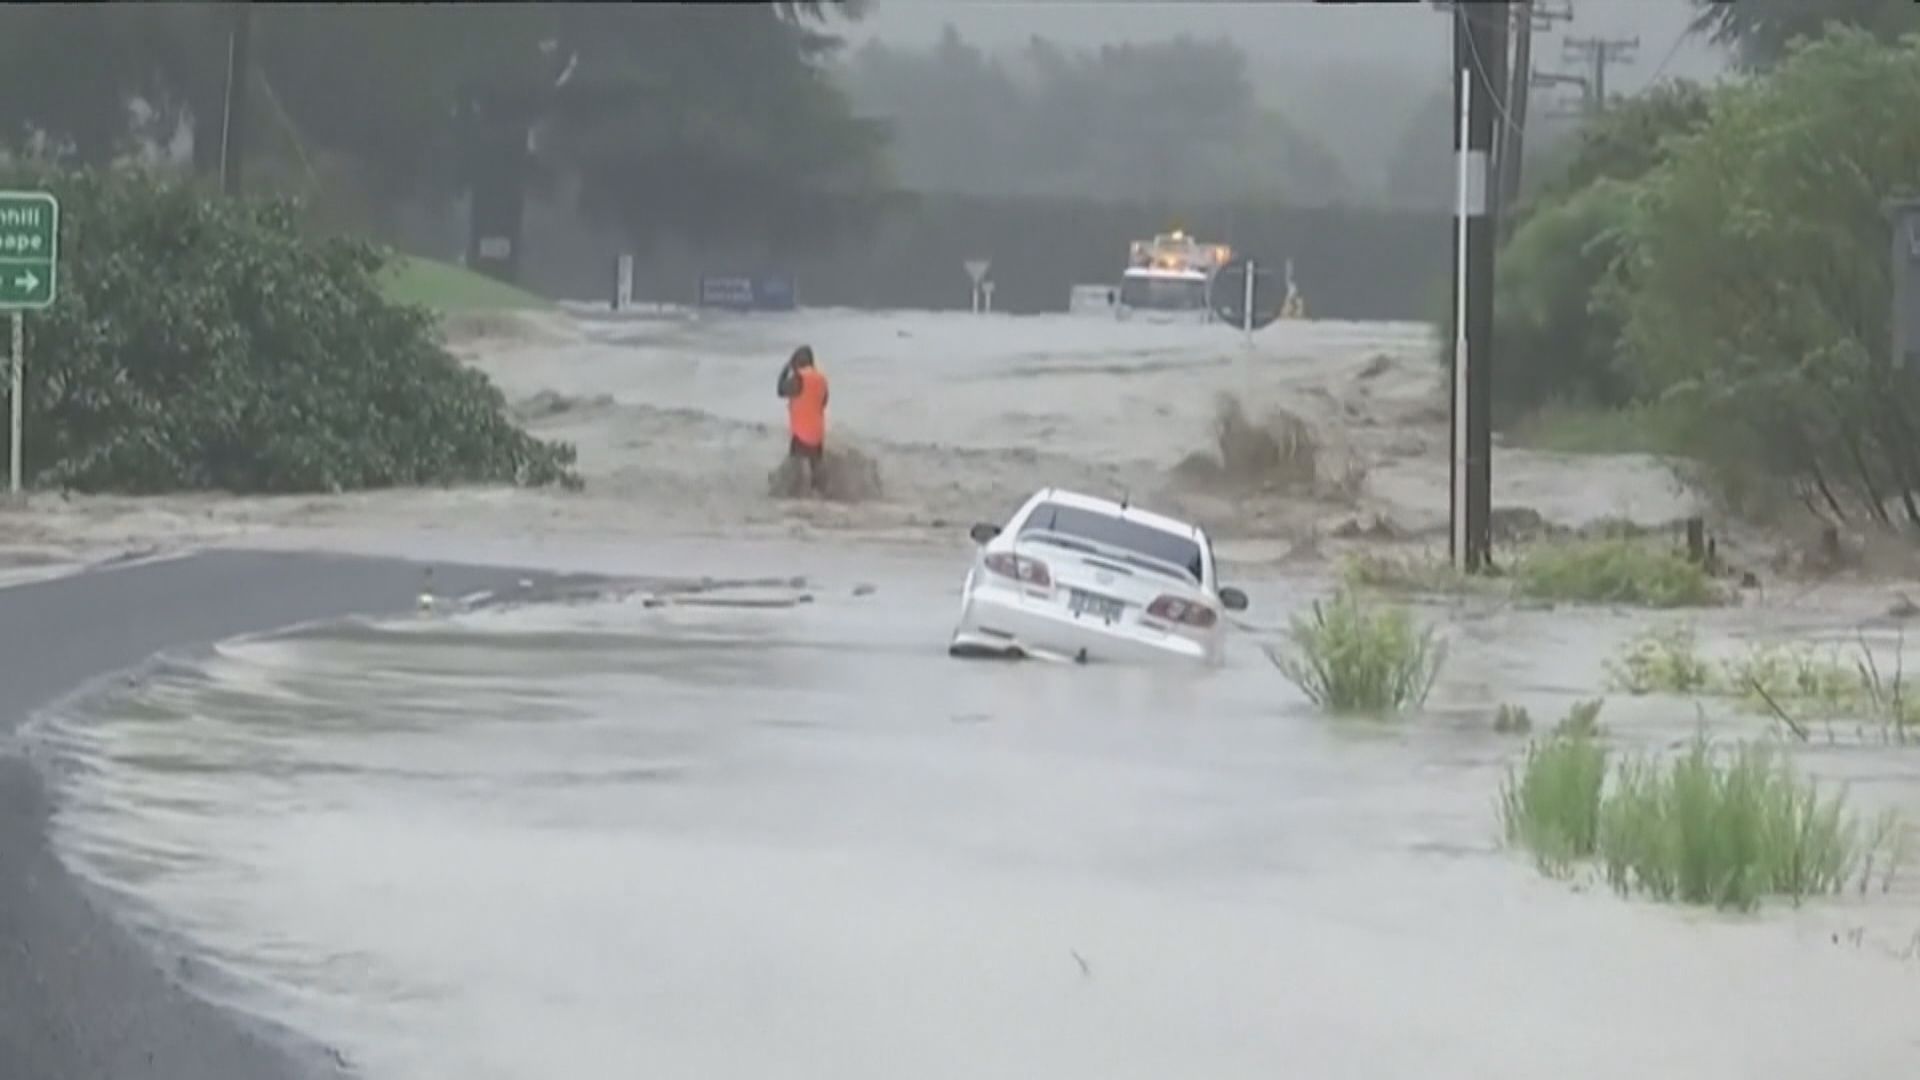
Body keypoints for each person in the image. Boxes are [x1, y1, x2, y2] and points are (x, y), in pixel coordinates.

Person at [776, 345, 829, 492]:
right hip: (818, 433)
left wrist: (785, 369)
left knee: (795, 469)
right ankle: (819, 494)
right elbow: (823, 402)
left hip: (801, 434)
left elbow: (780, 390)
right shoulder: (821, 379)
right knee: (816, 470)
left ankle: (794, 496)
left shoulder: (799, 379)